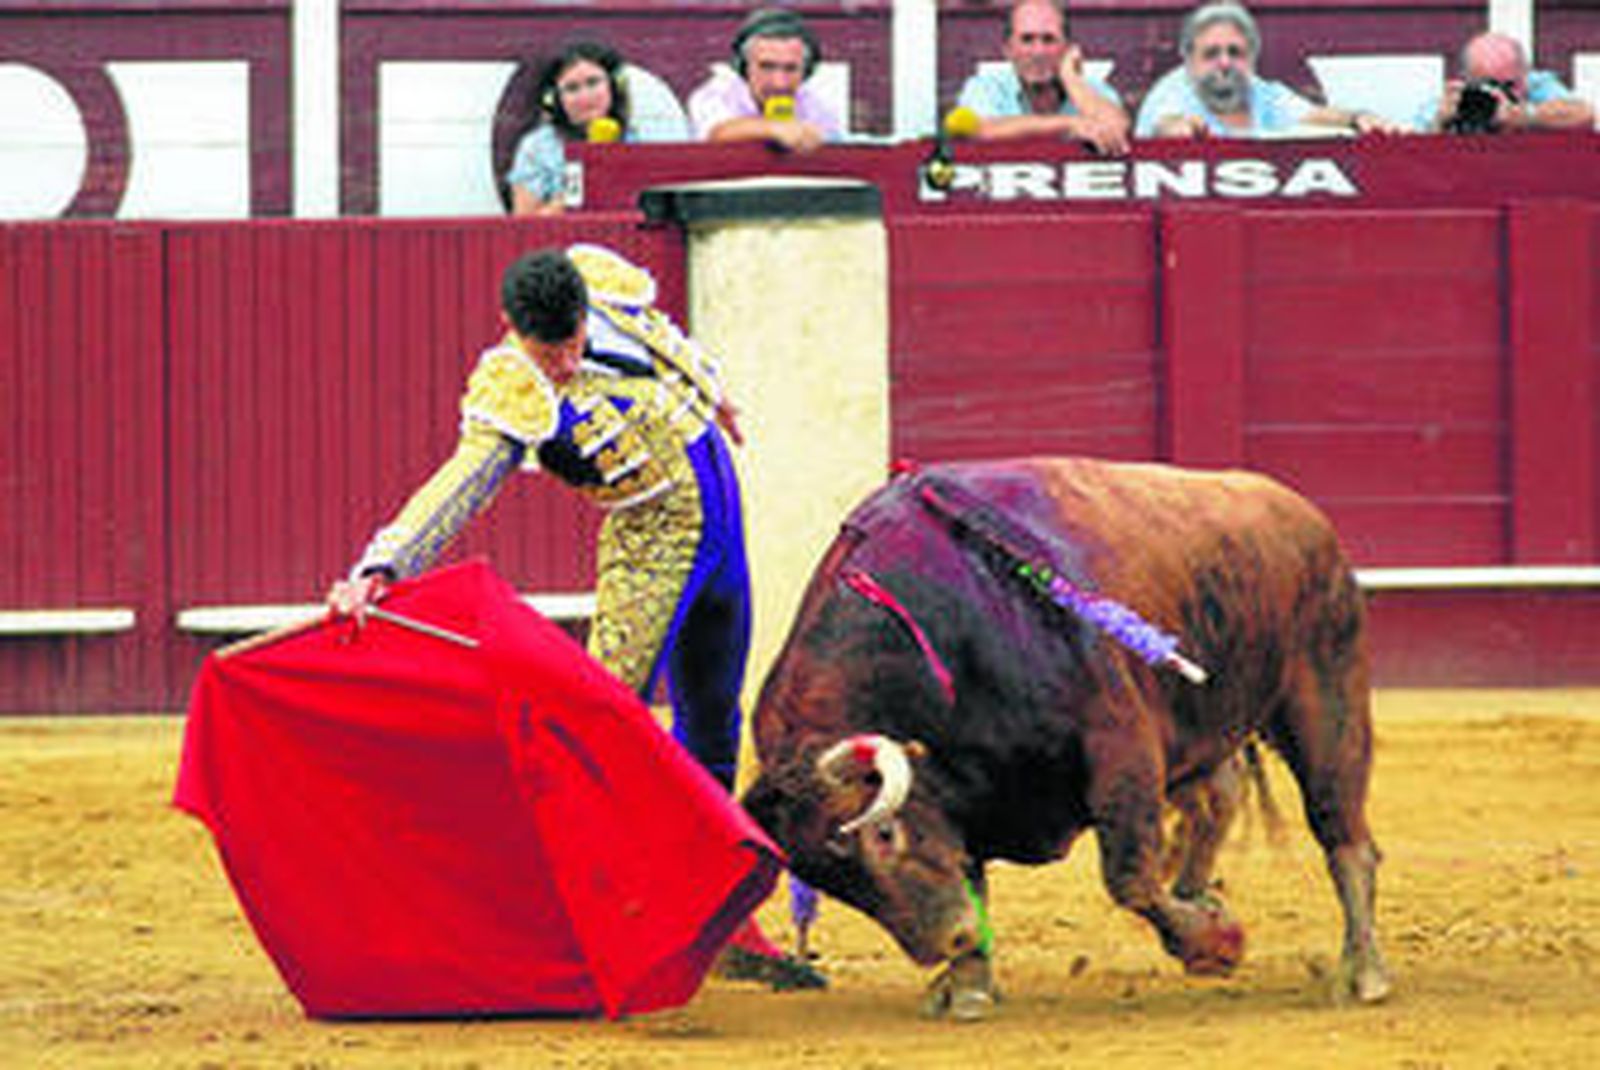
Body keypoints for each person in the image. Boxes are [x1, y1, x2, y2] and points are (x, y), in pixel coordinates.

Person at [326, 243, 823, 990]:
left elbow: (666, 340)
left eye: (571, 343)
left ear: (584, 313)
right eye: (545, 348)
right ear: (510, 326)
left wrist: (710, 392)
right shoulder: (510, 384)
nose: (561, 362)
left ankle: (722, 918)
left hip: (724, 528)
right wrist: (382, 564)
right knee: (601, 734)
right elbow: (461, 482)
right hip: (652, 547)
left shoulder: (605, 293)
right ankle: (581, 912)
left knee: (715, 720)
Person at [1135, 2, 1401, 139]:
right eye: (1211, 53)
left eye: (1235, 53)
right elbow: (1166, 125)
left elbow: (1311, 116)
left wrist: (1356, 118)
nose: (1225, 63)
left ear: (1252, 57)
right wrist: (1177, 128)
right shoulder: (1172, 92)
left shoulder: (1259, 91)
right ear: (1189, 58)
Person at [504, 41, 688, 216]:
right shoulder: (538, 148)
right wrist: (574, 195)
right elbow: (524, 222)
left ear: (614, 85)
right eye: (572, 88)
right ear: (555, 99)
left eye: (593, 83)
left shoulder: (643, 136)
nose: (585, 96)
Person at [955, 0, 1129, 155]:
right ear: (1008, 50)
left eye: (1048, 40)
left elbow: (1117, 129)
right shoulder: (985, 88)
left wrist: (1071, 79)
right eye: (1027, 40)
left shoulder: (1091, 90)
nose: (1038, 52)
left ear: (1066, 48)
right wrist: (1070, 125)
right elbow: (977, 129)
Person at [686, 7, 842, 152]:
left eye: (791, 69)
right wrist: (776, 129)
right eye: (767, 67)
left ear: (806, 71)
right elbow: (716, 132)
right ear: (744, 66)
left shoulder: (813, 103)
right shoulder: (714, 96)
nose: (779, 83)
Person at [1416, 31, 1595, 134]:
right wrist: (1439, 124)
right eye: (1488, 85)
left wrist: (1526, 116)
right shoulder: (1457, 97)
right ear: (1467, 78)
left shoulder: (1537, 85)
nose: (1499, 95)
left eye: (1509, 86)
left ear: (1525, 73)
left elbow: (1585, 115)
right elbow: (1412, 141)